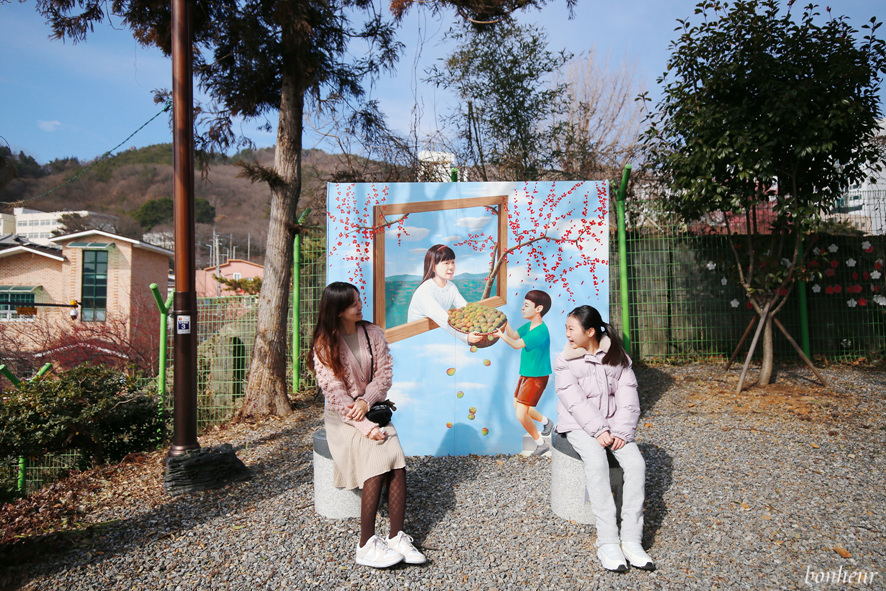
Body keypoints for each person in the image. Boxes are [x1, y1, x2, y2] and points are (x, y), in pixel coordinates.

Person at [309, 281, 427, 568]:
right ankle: (365, 544)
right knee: (377, 456)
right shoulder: (324, 344)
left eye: (359, 300)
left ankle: (396, 536)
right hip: (343, 419)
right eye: (352, 304)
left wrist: (366, 401)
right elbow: (335, 395)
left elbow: (384, 376)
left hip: (372, 409)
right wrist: (364, 426)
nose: (360, 305)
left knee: (397, 459)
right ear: (337, 311)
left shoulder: (373, 333)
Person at [553, 305, 655, 573]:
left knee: (636, 465)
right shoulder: (564, 359)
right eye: (566, 328)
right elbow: (573, 400)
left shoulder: (618, 357)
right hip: (578, 424)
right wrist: (599, 430)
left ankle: (632, 539)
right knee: (597, 463)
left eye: (571, 329)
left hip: (614, 425)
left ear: (590, 331)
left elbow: (628, 397)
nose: (567, 334)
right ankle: (607, 540)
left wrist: (621, 431)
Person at [492, 290, 555, 456]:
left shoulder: (540, 331)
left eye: (526, 305)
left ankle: (540, 443)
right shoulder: (529, 325)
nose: (522, 308)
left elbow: (516, 343)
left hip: (536, 376)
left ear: (538, 308)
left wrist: (500, 335)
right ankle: (546, 422)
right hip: (526, 374)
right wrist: (504, 324)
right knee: (517, 405)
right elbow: (513, 334)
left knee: (521, 414)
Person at [407, 244, 482, 345]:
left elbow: (465, 308)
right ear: (433, 267)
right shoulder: (424, 291)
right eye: (446, 263)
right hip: (417, 338)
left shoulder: (451, 286)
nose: (451, 267)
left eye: (453, 262)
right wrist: (466, 337)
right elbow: (443, 318)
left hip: (436, 331)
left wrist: (480, 323)